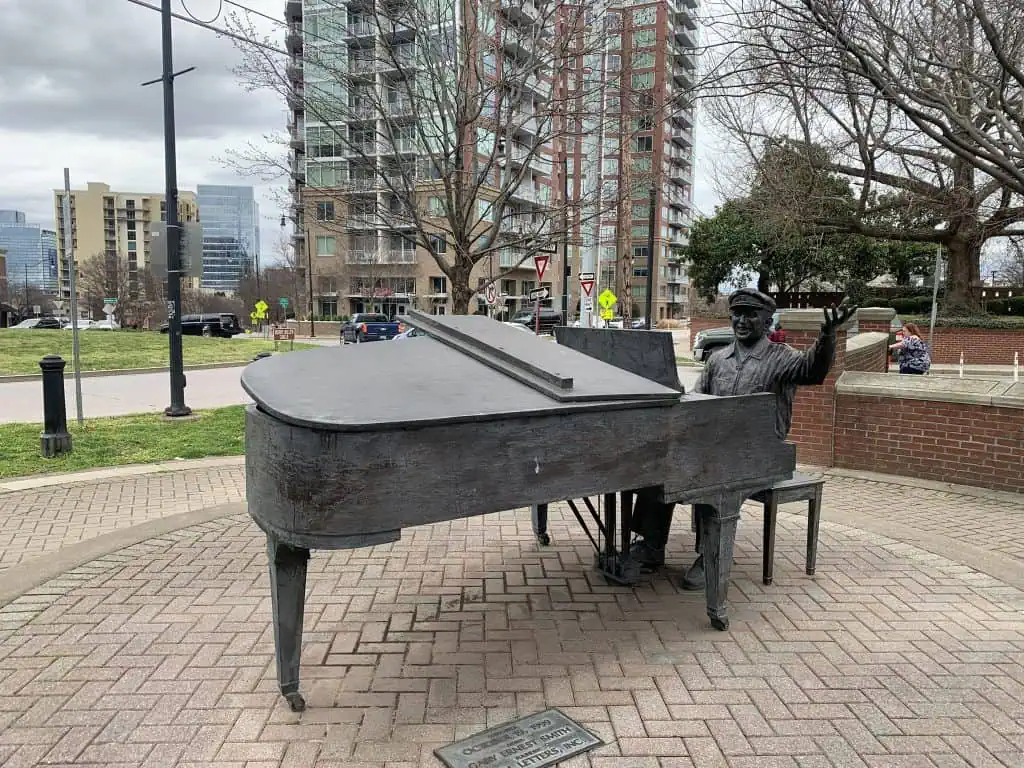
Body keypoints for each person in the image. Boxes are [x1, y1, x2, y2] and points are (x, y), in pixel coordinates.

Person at [629, 288, 856, 592]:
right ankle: (652, 544)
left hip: (761, 452)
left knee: (711, 478)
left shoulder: (782, 357)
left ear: (767, 321)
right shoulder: (717, 360)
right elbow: (698, 403)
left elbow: (813, 371)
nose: (742, 320)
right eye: (737, 313)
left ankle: (712, 554)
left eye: (751, 314)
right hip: (716, 445)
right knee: (659, 466)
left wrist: (827, 335)